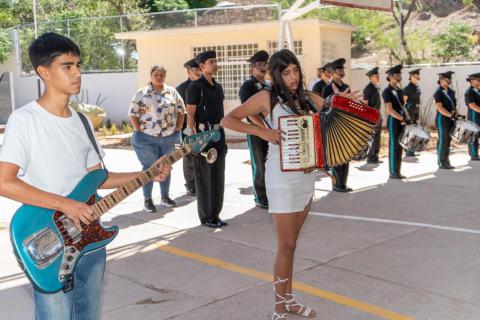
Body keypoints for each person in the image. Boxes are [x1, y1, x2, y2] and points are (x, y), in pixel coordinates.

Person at [0, 32, 171, 320]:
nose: (77, 73)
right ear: (44, 72)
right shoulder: (25, 120)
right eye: (67, 66)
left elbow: (98, 178)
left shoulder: (81, 121)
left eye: (78, 65)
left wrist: (147, 173)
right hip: (49, 240)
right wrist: (65, 205)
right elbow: (5, 182)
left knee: (88, 315)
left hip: (90, 240)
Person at [222, 48, 326, 320]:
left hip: (306, 177)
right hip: (281, 178)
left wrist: (346, 102)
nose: (292, 77)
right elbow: (228, 119)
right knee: (286, 245)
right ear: (276, 75)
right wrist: (262, 131)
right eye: (286, 72)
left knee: (292, 246)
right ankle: (279, 308)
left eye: (295, 71)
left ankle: (289, 299)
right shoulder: (265, 97)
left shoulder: (307, 98)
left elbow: (335, 109)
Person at [129, 65, 185, 211]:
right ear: (151, 75)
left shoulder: (172, 92)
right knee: (149, 169)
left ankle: (165, 197)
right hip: (147, 137)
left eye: (162, 74)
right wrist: (138, 130)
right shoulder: (142, 93)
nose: (159, 77)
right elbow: (133, 113)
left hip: (169, 137)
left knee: (166, 167)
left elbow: (181, 111)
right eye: (156, 74)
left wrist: (178, 129)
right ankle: (147, 200)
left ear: (165, 76)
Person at [185, 50, 228, 228]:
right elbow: (190, 114)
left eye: (216, 61)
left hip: (219, 135)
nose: (215, 64)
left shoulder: (218, 87)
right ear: (202, 66)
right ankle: (206, 216)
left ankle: (216, 214)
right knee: (204, 178)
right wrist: (193, 139)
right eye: (212, 62)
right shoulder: (195, 87)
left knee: (218, 176)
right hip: (203, 136)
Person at [239, 50, 271, 209]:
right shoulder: (248, 86)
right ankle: (261, 197)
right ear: (251, 67)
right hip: (256, 131)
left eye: (266, 64)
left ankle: (271, 194)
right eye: (260, 65)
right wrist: (264, 128)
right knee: (259, 164)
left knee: (271, 163)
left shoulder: (269, 85)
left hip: (270, 130)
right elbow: (249, 113)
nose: (263, 68)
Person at [322, 58, 352, 192]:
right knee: (337, 153)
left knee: (346, 154)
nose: (342, 71)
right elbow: (323, 107)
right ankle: (337, 184)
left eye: (342, 69)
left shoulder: (346, 87)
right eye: (339, 69)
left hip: (346, 123)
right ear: (332, 72)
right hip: (333, 123)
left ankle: (342, 183)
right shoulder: (328, 88)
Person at [176, 58, 202, 196]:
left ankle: (202, 182)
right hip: (187, 127)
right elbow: (178, 112)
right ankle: (191, 185)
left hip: (203, 126)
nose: (199, 72)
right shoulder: (181, 89)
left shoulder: (204, 85)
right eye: (195, 69)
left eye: (200, 69)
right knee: (189, 155)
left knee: (203, 155)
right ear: (188, 71)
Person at [383, 64, 408, 179]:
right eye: (397, 75)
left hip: (402, 120)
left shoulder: (400, 91)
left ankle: (398, 171)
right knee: (394, 146)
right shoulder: (387, 91)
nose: (399, 76)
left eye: (400, 74)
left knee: (400, 145)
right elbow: (389, 110)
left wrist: (407, 117)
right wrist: (401, 118)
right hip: (394, 121)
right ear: (391, 76)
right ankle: (393, 171)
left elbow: (403, 106)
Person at [434, 71, 457, 169]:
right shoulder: (438, 92)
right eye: (447, 80)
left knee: (448, 140)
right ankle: (441, 162)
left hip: (450, 118)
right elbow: (439, 107)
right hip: (442, 118)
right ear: (441, 80)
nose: (449, 82)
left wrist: (457, 115)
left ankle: (446, 161)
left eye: (450, 80)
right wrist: (450, 115)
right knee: (443, 140)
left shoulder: (451, 91)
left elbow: (453, 106)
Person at [363, 67, 383, 164]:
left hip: (378, 115)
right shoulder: (368, 88)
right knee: (372, 137)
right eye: (376, 76)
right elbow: (366, 104)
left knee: (377, 137)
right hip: (372, 117)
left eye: (378, 75)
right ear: (371, 77)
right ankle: (371, 157)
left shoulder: (376, 87)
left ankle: (375, 156)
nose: (378, 77)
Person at [403, 68, 422, 157]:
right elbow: (403, 102)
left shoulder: (417, 87)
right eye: (416, 75)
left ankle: (412, 148)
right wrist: (405, 114)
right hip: (409, 110)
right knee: (410, 130)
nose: (418, 77)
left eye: (418, 75)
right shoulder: (407, 88)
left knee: (415, 129)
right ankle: (408, 150)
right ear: (411, 76)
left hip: (416, 110)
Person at [465, 72, 480, 161]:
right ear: (473, 81)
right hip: (474, 116)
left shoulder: (478, 90)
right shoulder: (469, 92)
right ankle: (473, 154)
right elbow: (472, 106)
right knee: (474, 135)